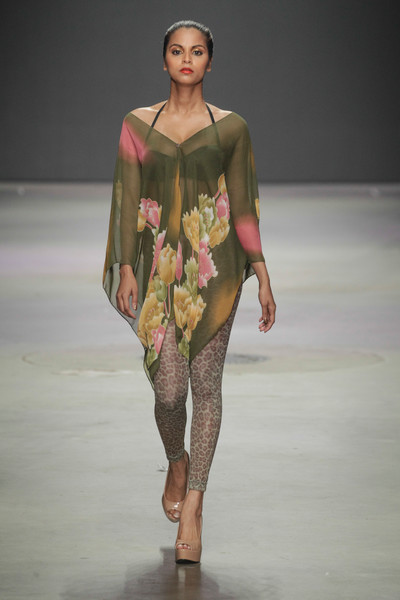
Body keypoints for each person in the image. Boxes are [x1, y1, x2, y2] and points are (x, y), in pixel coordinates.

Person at [103, 20, 276, 564]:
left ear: (209, 62)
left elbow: (243, 205)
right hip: (158, 270)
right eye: (177, 51)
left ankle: (195, 504)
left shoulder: (231, 128)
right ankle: (176, 461)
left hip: (213, 268)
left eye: (196, 51)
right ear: (164, 61)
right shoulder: (137, 124)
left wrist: (261, 271)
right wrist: (124, 267)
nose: (186, 59)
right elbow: (126, 199)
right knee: (168, 393)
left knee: (207, 387)